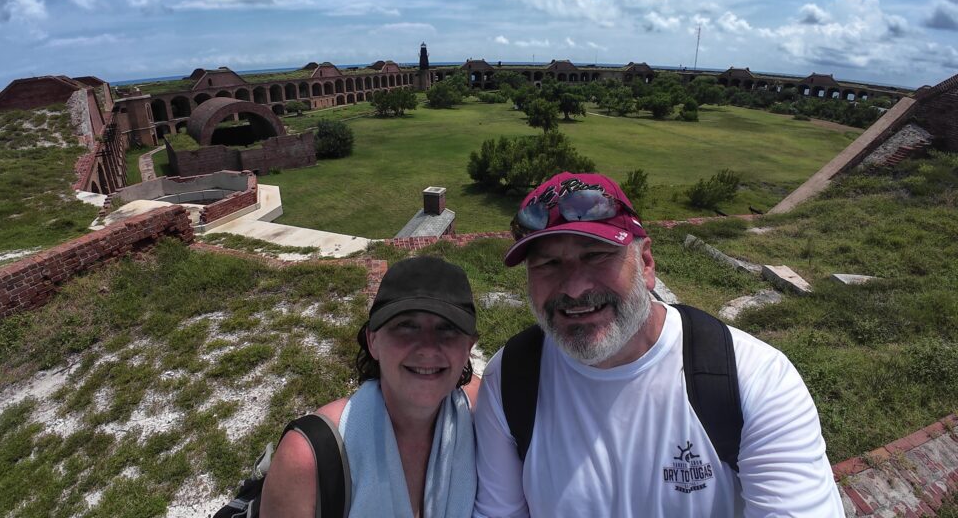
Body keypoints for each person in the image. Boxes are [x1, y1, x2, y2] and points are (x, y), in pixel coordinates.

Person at [473, 172, 844, 517]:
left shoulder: (755, 377)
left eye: (597, 256)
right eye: (548, 264)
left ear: (647, 263)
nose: (573, 288)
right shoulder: (509, 380)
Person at [262, 256, 481, 518]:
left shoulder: (487, 411)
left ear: (468, 347)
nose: (427, 348)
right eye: (407, 326)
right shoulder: (307, 458)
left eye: (448, 328)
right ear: (373, 340)